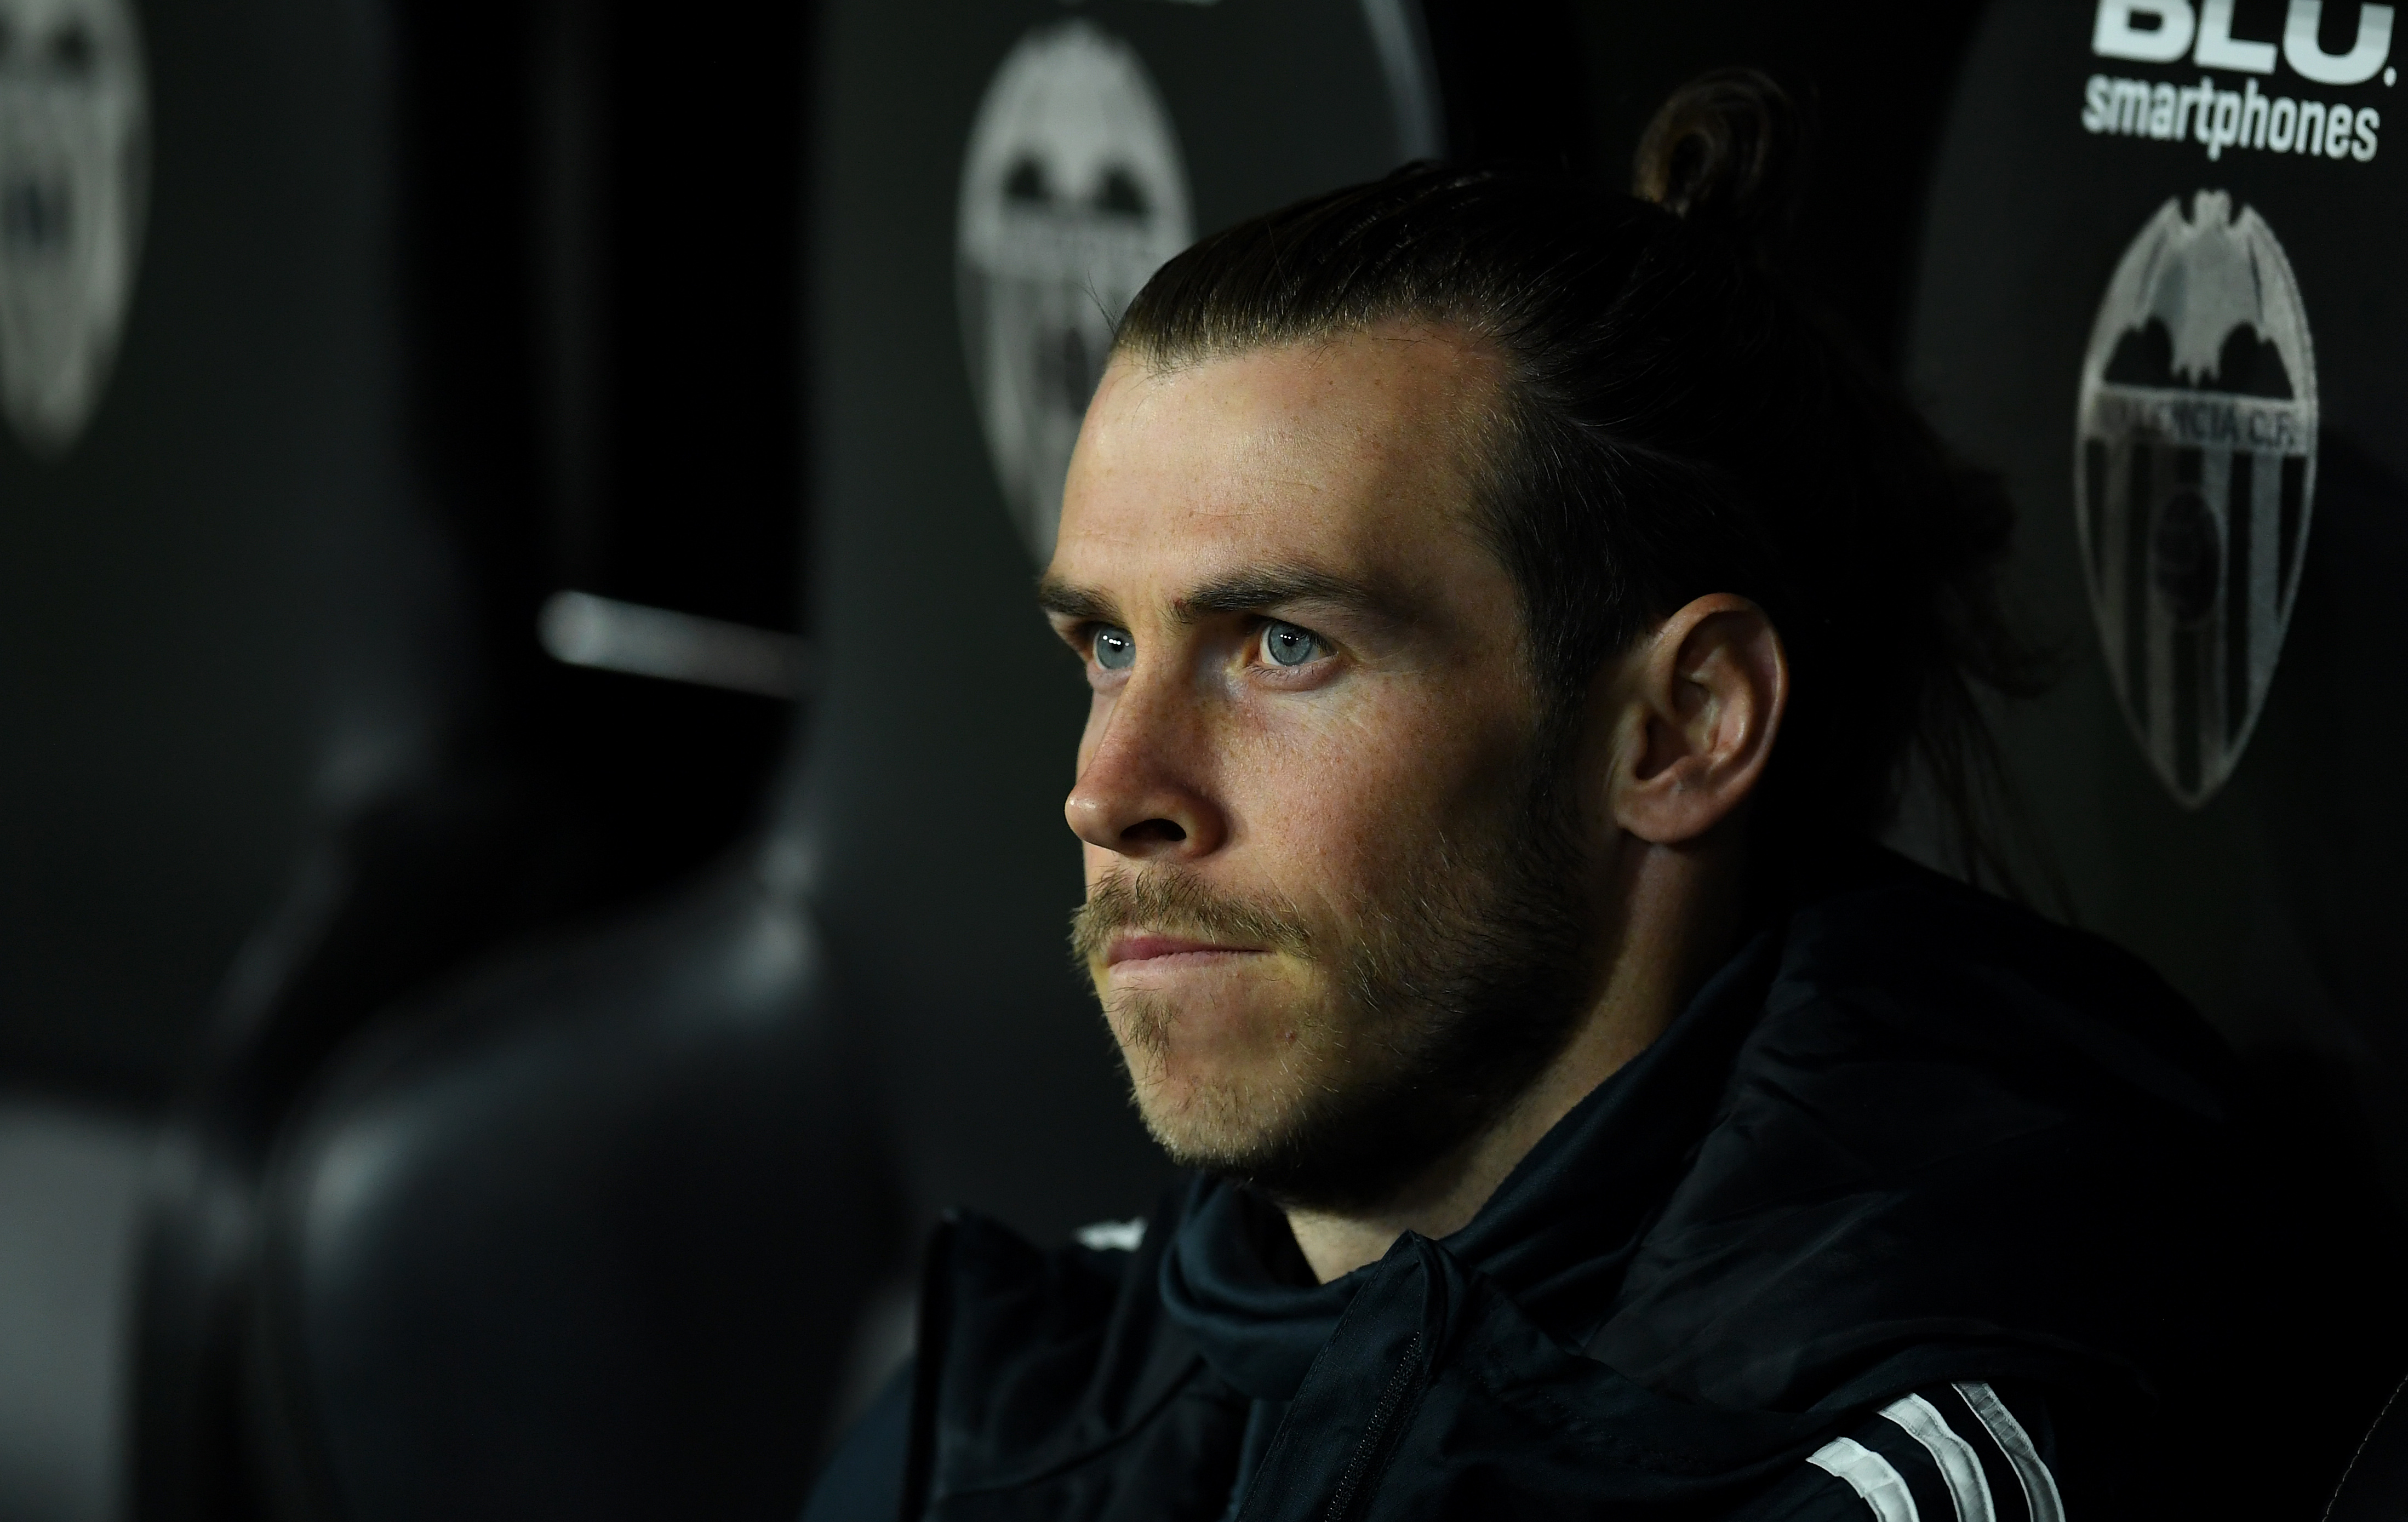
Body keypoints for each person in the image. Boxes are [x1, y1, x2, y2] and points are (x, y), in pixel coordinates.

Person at [807, 72, 2239, 1521]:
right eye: (1108, 647)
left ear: (1678, 730)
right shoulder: (1016, 1393)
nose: (1107, 790)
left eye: (1281, 646)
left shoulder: (1880, 1471)